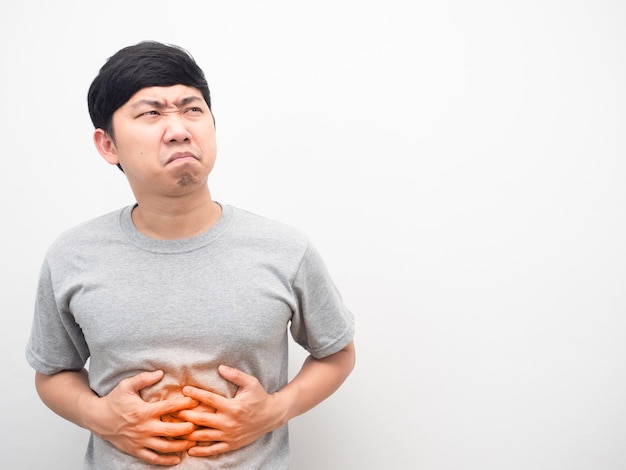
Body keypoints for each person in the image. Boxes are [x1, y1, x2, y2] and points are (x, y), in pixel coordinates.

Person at [26, 41, 355, 469]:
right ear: (108, 145)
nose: (179, 128)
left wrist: (275, 410)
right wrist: (100, 415)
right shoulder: (72, 255)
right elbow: (52, 371)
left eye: (192, 109)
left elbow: (337, 352)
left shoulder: (284, 249)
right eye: (151, 112)